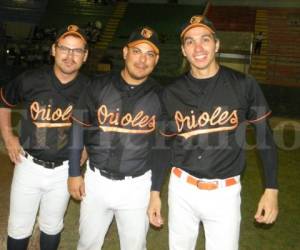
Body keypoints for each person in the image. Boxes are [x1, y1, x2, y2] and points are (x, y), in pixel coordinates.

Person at [158, 15, 279, 250]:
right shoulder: (171, 92)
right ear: (183, 50)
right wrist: (155, 191)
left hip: (225, 192)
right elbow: (162, 145)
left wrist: (271, 188)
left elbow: (265, 137)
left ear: (217, 44)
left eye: (205, 39)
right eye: (190, 42)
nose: (199, 47)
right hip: (181, 189)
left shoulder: (244, 84)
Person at [68, 26, 165, 250]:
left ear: (156, 59)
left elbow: (163, 149)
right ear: (124, 52)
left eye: (150, 54)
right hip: (96, 181)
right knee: (87, 244)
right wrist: (74, 172)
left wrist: (155, 192)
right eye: (137, 51)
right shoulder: (98, 85)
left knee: (134, 246)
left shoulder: (161, 96)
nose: (142, 60)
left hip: (137, 186)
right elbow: (78, 128)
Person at [0, 24, 89, 250]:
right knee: (19, 226)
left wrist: (86, 148)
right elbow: (4, 101)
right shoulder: (31, 79)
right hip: (28, 165)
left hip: (65, 169)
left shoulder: (90, 88)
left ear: (85, 55)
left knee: (52, 225)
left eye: (77, 50)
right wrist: (9, 136)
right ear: (53, 50)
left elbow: (96, 123)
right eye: (65, 48)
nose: (70, 56)